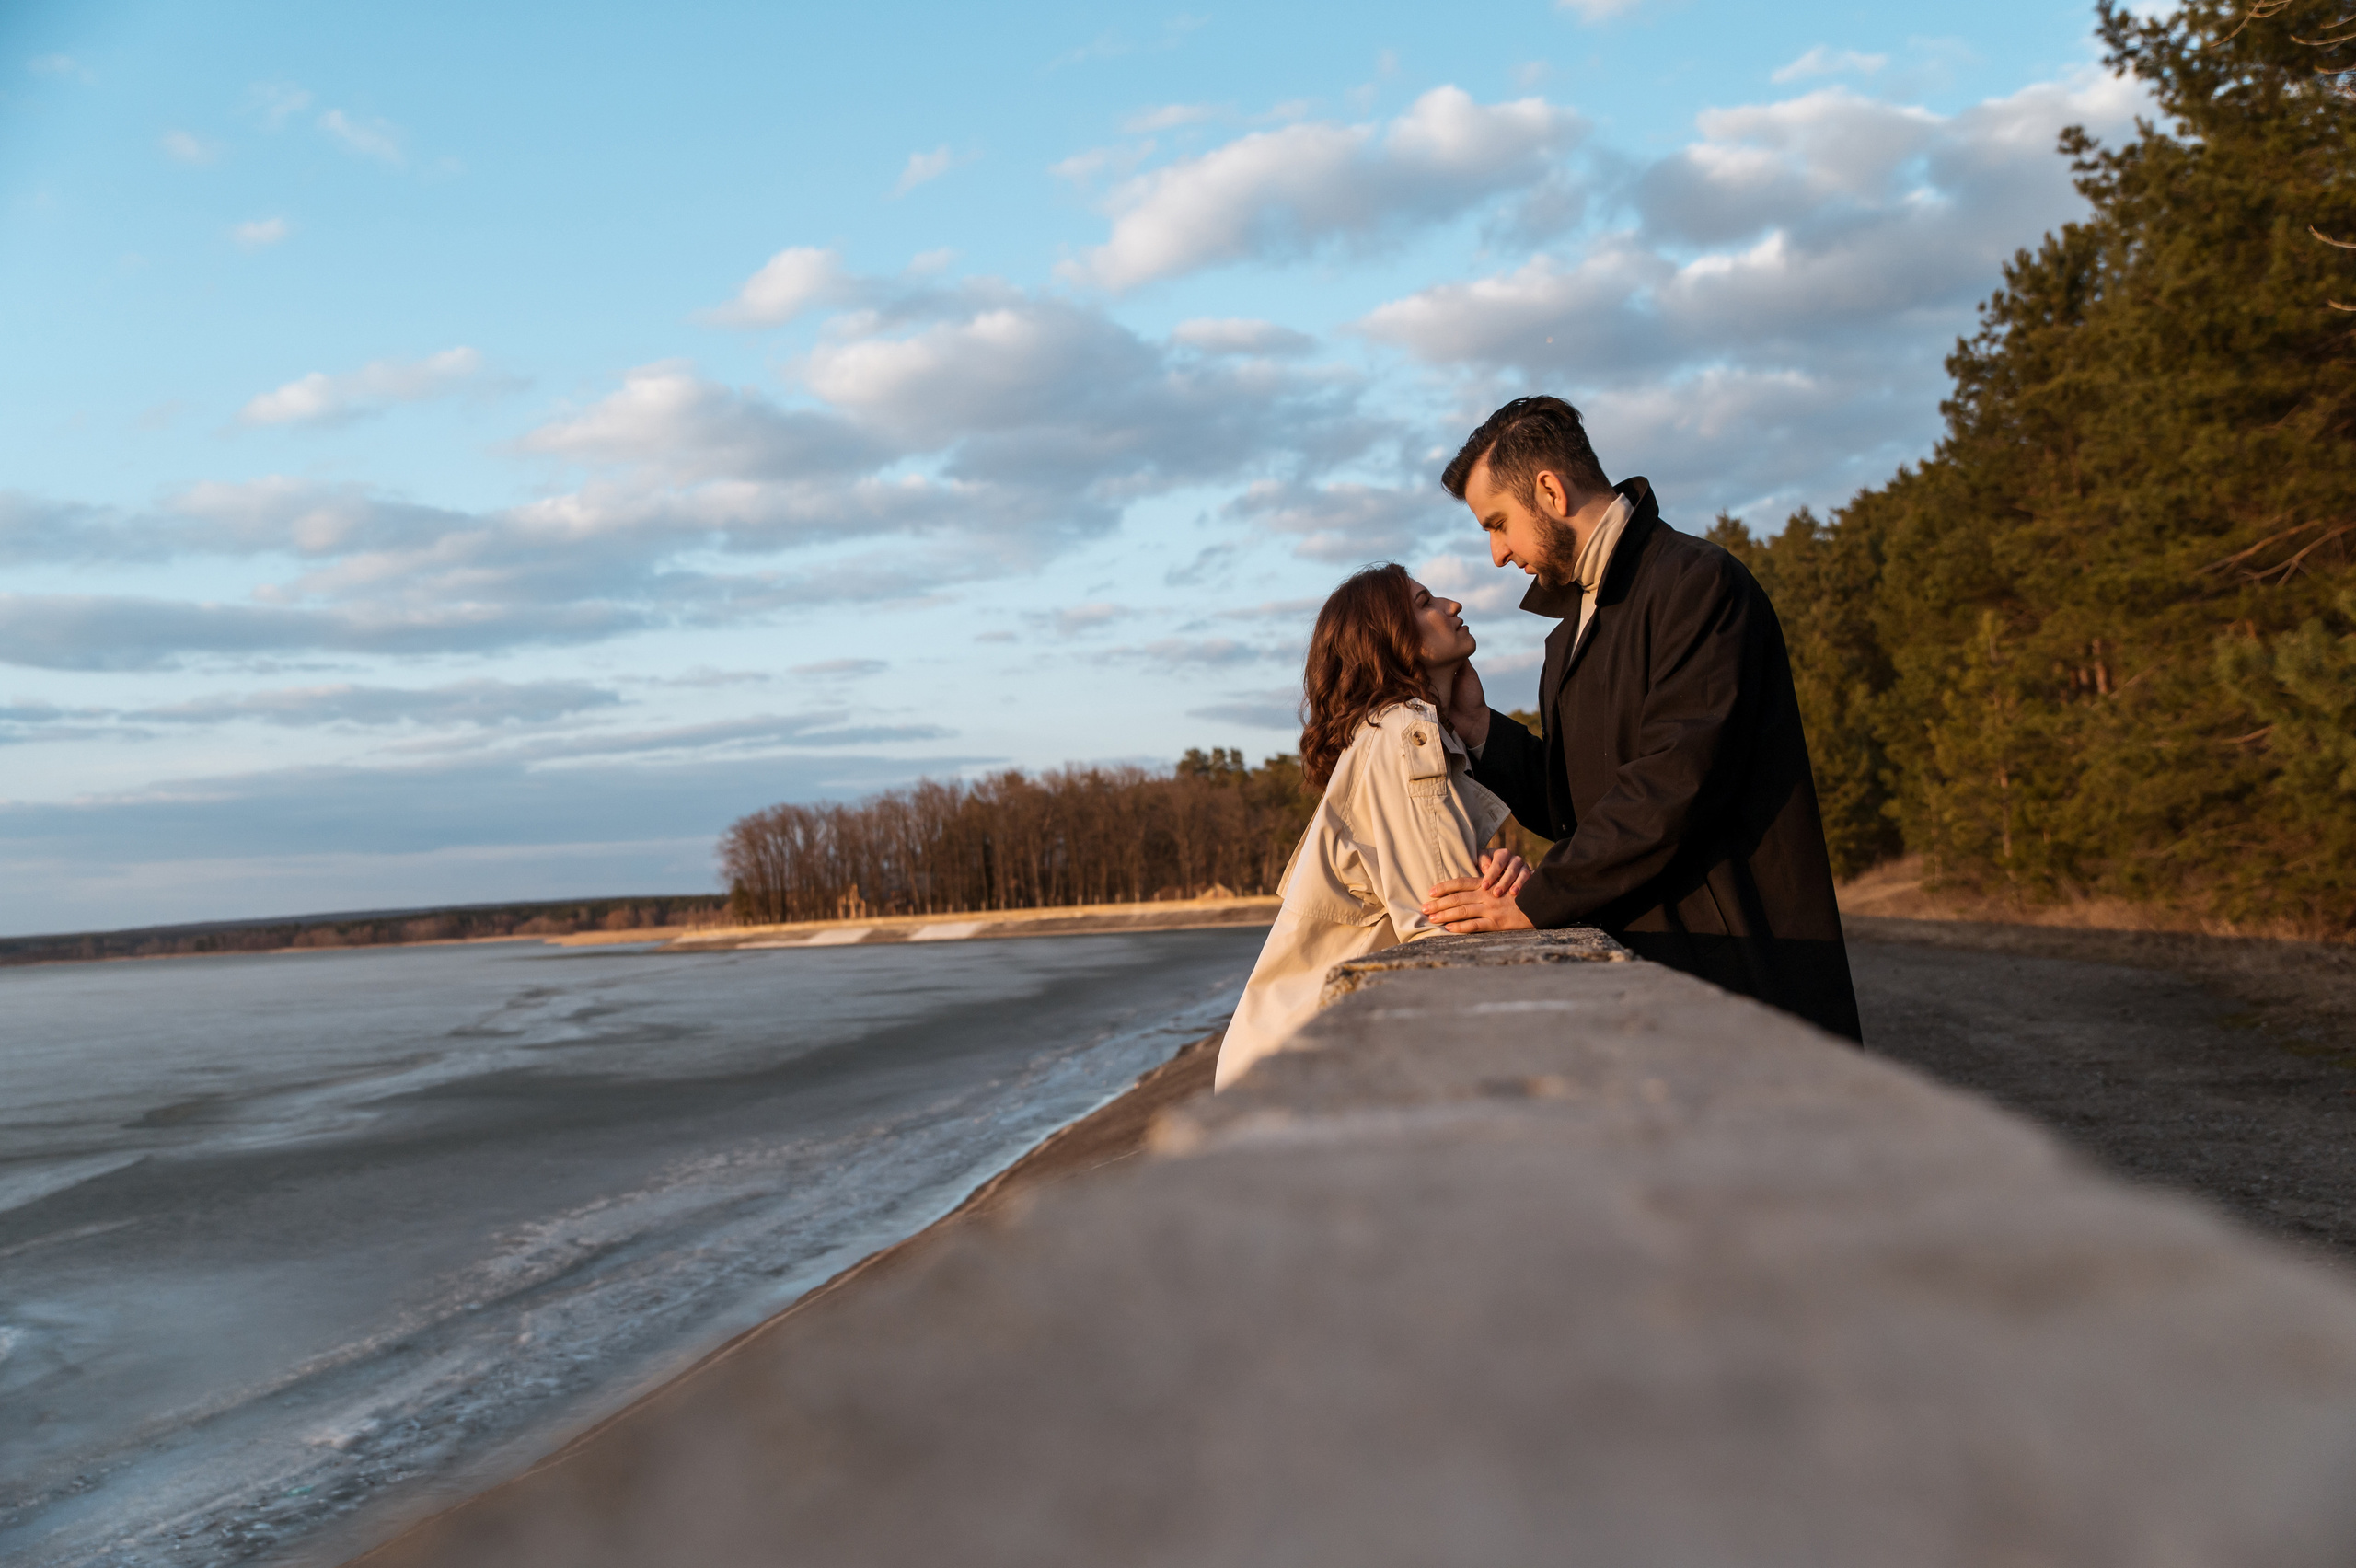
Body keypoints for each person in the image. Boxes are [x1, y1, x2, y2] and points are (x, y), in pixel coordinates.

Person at [1418, 395, 1863, 1043]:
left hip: (1738, 971)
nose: (1497, 553)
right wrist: (1483, 728)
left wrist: (1535, 901)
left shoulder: (1698, 584)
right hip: (1657, 978)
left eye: (1498, 523)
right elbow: (1581, 804)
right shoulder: (1573, 629)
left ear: (1550, 491)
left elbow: (1674, 785)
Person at [1214, 564, 1532, 1090]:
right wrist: (1520, 901)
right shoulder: (1404, 733)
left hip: (1294, 1057)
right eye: (1425, 603)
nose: (1452, 606)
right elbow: (1445, 921)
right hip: (1302, 1067)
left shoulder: (1404, 733)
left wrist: (1502, 884)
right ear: (1389, 640)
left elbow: (1455, 900)